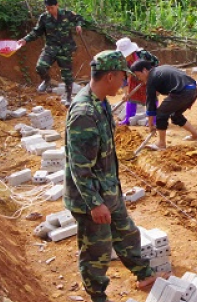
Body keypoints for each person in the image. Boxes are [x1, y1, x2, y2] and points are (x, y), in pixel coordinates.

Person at [65, 50, 165, 302]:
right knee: (97, 250)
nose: (124, 82)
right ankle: (98, 296)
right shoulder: (84, 114)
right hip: (91, 198)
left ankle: (144, 273)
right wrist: (95, 203)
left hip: (108, 188)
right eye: (122, 76)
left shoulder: (101, 103)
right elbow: (80, 167)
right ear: (110, 76)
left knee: (127, 232)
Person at [17, 0, 85, 106]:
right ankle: (46, 80)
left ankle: (68, 97)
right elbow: (36, 32)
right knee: (40, 67)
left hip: (65, 49)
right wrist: (25, 39)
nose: (49, 10)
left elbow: (79, 18)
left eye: (51, 8)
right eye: (47, 8)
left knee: (67, 76)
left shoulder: (67, 14)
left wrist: (78, 25)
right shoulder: (44, 17)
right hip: (50, 48)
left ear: (57, 5)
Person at [129, 61, 197, 150]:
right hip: (192, 90)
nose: (139, 79)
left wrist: (151, 124)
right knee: (175, 115)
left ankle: (161, 144)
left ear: (144, 70)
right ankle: (196, 135)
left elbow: (151, 104)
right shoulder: (162, 69)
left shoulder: (151, 79)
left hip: (181, 92)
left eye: (139, 76)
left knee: (161, 113)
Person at [115, 37, 159, 126]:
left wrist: (150, 76)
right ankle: (128, 119)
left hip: (148, 78)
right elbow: (122, 76)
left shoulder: (143, 55)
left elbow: (156, 63)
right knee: (131, 98)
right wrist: (125, 91)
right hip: (133, 80)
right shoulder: (122, 62)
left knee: (151, 97)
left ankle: (153, 120)